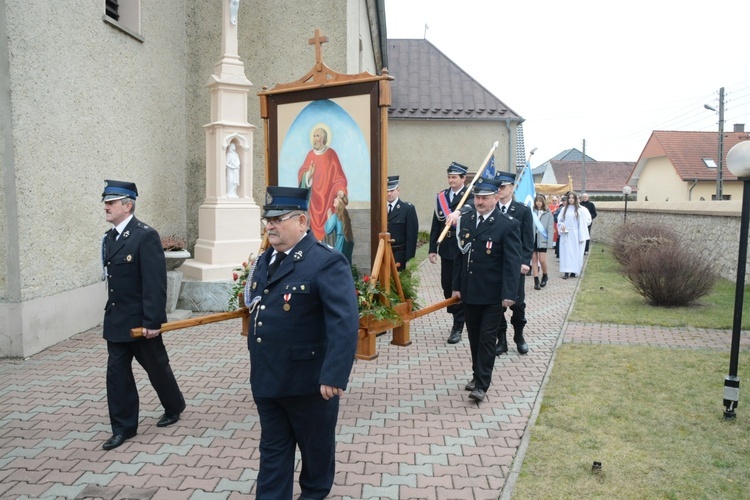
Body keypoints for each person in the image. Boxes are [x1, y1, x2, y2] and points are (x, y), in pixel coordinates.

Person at [244, 186, 358, 499]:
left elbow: (344, 323)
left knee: (315, 454)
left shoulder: (325, 262)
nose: (270, 225)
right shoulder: (266, 260)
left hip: (309, 384)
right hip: (269, 380)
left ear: (302, 222)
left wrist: (334, 374)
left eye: (278, 219)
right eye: (268, 219)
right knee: (273, 453)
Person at [100, 180, 185, 451]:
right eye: (106, 202)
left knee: (157, 367)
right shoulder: (109, 237)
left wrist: (152, 321)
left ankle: (174, 406)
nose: (106, 206)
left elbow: (154, 283)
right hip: (116, 321)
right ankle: (123, 428)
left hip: (140, 321)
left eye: (112, 202)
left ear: (128, 205)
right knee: (117, 374)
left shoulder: (144, 235)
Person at [451, 177, 522, 402]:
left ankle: (482, 384)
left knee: (486, 338)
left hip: (493, 294)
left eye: (484, 198)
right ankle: (476, 374)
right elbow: (460, 257)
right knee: (473, 336)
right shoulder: (468, 220)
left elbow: (512, 263)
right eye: (477, 197)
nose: (480, 202)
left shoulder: (507, 224)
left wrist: (510, 294)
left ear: (495, 197)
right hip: (470, 291)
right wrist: (456, 287)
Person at [429, 162, 473, 344]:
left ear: (463, 178)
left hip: (462, 247)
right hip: (446, 247)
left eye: (454, 177)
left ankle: (458, 325)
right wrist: (432, 249)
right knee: (447, 286)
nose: (451, 180)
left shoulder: (470, 196)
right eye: (449, 177)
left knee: (459, 287)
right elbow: (435, 224)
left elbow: (470, 208)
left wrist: (458, 212)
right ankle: (457, 315)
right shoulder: (442, 197)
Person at [493, 171, 534, 355]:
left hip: (515, 265)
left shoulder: (522, 210)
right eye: (497, 187)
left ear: (512, 188)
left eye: (503, 187)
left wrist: (525, 262)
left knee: (517, 304)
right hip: (495, 265)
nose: (499, 190)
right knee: (496, 304)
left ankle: (519, 335)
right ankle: (501, 339)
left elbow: (527, 239)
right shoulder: (491, 209)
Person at [298, 126, 348, 241]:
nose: (315, 139)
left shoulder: (331, 154)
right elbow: (302, 173)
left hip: (328, 200)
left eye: (318, 136)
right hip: (313, 203)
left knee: (329, 233)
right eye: (314, 136)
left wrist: (340, 190)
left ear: (324, 139)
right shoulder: (310, 155)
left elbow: (339, 178)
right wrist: (308, 176)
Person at [386, 175, 419, 271]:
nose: (389, 194)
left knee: (400, 283)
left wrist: (409, 258)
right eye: (387, 191)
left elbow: (411, 236)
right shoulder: (380, 209)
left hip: (399, 254)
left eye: (392, 191)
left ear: (398, 190)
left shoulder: (407, 209)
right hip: (383, 253)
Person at [557, 191, 591, 279]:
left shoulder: (579, 210)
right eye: (569, 198)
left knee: (574, 253)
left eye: (573, 198)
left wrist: (582, 236)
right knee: (566, 252)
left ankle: (573, 270)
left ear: (575, 199)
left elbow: (582, 224)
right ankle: (566, 271)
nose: (571, 199)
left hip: (575, 234)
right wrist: (562, 226)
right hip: (566, 234)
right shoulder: (564, 209)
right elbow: (559, 221)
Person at [532, 194, 555, 290]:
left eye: (540, 201)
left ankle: (545, 275)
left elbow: (550, 229)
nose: (538, 203)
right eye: (537, 201)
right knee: (534, 259)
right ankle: (536, 280)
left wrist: (550, 243)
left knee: (542, 260)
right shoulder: (531, 212)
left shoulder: (548, 214)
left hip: (543, 239)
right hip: (533, 238)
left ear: (543, 202)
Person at [324, 192, 354, 263]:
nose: (334, 199)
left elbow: (328, 230)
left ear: (339, 201)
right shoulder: (345, 215)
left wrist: (328, 217)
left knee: (338, 264)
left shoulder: (335, 216)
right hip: (348, 241)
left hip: (340, 242)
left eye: (336, 198)